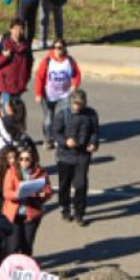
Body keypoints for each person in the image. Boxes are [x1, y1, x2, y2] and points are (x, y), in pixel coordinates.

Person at [52, 89, 98, 226]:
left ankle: (79, 213)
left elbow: (95, 132)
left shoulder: (91, 114)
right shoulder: (63, 114)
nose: (77, 107)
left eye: (80, 104)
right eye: (74, 104)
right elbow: (56, 132)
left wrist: (93, 144)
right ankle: (65, 208)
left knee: (81, 185)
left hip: (82, 155)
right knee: (64, 184)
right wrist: (65, 142)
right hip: (65, 156)